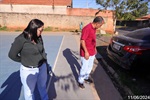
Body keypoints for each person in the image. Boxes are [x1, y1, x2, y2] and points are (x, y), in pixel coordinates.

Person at [8, 19, 49, 100]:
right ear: (34, 29)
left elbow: (42, 50)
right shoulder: (21, 39)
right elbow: (12, 55)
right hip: (28, 70)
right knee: (29, 93)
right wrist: (24, 60)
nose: (42, 32)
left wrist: (45, 63)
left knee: (42, 87)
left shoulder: (39, 37)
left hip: (41, 68)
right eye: (40, 30)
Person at [78, 16, 104, 89]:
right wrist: (86, 52)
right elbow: (82, 41)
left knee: (90, 67)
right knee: (84, 67)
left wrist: (95, 48)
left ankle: (86, 77)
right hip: (86, 52)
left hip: (92, 51)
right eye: (100, 25)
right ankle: (80, 81)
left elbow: (92, 40)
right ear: (97, 23)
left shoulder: (94, 29)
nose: (100, 26)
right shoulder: (87, 28)